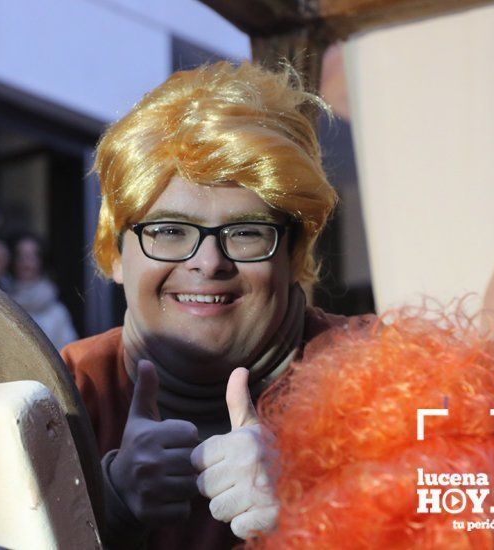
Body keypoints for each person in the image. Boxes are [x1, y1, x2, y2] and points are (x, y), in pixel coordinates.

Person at [60, 61, 355, 548]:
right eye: (170, 231)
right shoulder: (59, 396)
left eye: (245, 233)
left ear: (293, 254)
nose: (209, 262)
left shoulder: (391, 372)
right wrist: (102, 507)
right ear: (115, 252)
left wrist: (315, 506)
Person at [8, 232, 78, 350]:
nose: (26, 263)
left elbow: (67, 355)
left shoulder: (57, 313)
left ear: (41, 261)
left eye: (31, 257)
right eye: (20, 256)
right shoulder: (1, 300)